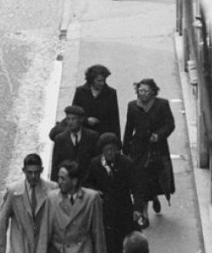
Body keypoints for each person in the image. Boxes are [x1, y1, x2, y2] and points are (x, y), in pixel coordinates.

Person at [122, 79, 176, 228]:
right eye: (140, 90)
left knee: (155, 177)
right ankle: (143, 215)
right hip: (138, 149)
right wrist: (125, 150)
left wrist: (159, 135)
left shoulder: (162, 104)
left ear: (153, 91)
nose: (143, 93)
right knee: (139, 181)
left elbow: (170, 124)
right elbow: (129, 128)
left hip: (157, 148)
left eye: (146, 91)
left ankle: (154, 197)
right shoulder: (133, 106)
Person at [0, 154, 56, 253]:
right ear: (24, 170)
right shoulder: (14, 192)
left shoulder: (52, 190)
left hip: (43, 246)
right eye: (30, 172)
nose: (33, 176)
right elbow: (2, 221)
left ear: (42, 170)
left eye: (36, 172)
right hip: (20, 246)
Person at [85, 134, 138, 253]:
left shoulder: (126, 163)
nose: (109, 153)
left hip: (123, 208)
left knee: (124, 241)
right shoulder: (95, 164)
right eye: (106, 150)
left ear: (117, 149)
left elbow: (136, 187)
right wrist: (96, 192)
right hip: (104, 210)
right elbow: (88, 183)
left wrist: (137, 208)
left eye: (112, 149)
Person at [45, 160, 107, 253]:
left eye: (63, 179)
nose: (59, 182)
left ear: (74, 181)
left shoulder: (91, 198)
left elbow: (98, 234)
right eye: (58, 178)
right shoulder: (52, 198)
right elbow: (45, 234)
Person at [50, 105, 100, 181]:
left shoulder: (92, 137)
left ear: (81, 120)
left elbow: (96, 163)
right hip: (66, 183)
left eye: (73, 119)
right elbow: (55, 165)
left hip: (86, 183)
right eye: (68, 119)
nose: (70, 122)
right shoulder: (60, 139)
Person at [72, 64, 121, 139]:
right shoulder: (81, 92)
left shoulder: (111, 93)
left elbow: (114, 119)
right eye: (99, 81)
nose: (102, 83)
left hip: (103, 136)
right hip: (84, 136)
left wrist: (116, 141)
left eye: (104, 80)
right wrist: (86, 120)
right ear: (91, 80)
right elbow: (74, 114)